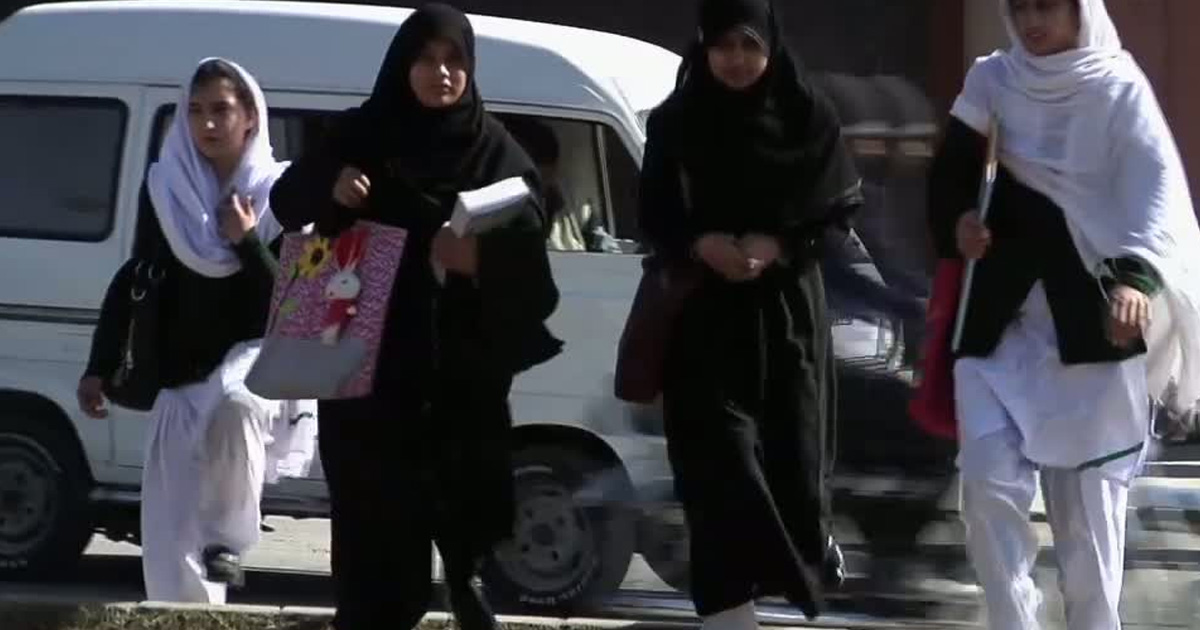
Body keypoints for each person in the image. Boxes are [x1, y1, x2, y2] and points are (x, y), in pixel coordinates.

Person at [268, 5, 561, 630]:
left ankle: (465, 584)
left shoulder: (496, 153)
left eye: (455, 60)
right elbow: (286, 202)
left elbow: (536, 274)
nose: (441, 73)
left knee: (465, 528)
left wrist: (479, 257)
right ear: (403, 65)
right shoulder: (360, 137)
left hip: (460, 378)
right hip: (365, 371)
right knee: (377, 558)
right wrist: (333, 185)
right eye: (426, 60)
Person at [928, 0, 1200, 628]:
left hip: (1094, 321)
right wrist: (959, 224)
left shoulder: (1118, 86)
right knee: (987, 487)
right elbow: (950, 176)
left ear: (1080, 10)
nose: (1032, 22)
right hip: (999, 321)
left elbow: (1152, 189)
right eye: (1020, 8)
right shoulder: (994, 79)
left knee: (1089, 519)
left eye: (1047, 6)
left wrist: (1136, 280)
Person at [636, 0, 862, 625]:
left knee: (790, 464)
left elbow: (835, 208)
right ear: (703, 46)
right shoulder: (677, 123)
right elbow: (654, 213)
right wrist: (698, 243)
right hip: (703, 322)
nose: (735, 60)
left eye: (748, 45)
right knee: (719, 469)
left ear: (770, 44)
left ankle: (805, 557)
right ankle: (731, 613)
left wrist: (779, 243)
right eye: (722, 46)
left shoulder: (808, 116)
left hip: (786, 319)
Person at [77, 58, 315, 604]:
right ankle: (182, 608)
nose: (207, 123)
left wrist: (247, 241)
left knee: (235, 404)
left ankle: (228, 541)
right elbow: (137, 277)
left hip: (258, 357)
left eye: (221, 110)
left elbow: (294, 301)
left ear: (251, 118)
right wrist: (99, 363)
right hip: (180, 367)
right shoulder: (165, 187)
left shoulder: (278, 192)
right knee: (169, 515)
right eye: (196, 111)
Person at [502, 115, 622, 253]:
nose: (547, 184)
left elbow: (600, 239)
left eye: (548, 176)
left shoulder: (570, 206)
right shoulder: (496, 215)